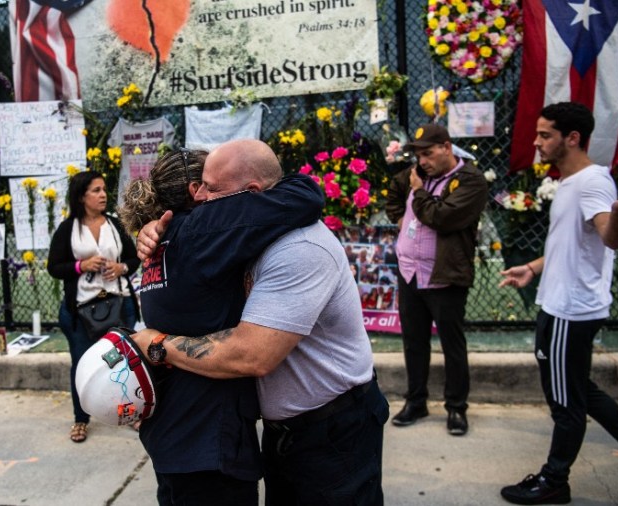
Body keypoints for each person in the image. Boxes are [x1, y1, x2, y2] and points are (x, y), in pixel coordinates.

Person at [132, 139, 388, 506]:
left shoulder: (299, 247)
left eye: (211, 188)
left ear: (251, 193)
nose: (199, 197)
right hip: (282, 430)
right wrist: (156, 229)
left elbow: (252, 355)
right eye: (198, 184)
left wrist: (156, 345)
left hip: (332, 429)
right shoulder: (242, 237)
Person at [498, 102, 618, 505]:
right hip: (561, 304)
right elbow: (570, 244)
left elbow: (610, 237)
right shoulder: (571, 181)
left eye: (545, 134)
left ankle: (554, 480)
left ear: (572, 138)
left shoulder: (591, 183)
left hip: (570, 310)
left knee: (566, 402)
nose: (536, 142)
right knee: (578, 391)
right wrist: (534, 268)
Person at [385, 123, 488, 436]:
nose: (422, 161)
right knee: (414, 343)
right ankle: (416, 401)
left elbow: (441, 218)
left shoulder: (470, 180)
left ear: (447, 147)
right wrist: (402, 219)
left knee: (451, 345)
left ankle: (456, 407)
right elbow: (392, 194)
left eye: (428, 154)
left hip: (445, 274)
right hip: (410, 272)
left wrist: (417, 193)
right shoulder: (414, 175)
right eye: (418, 155)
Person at [46, 171, 140, 443]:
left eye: (103, 189)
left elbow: (133, 259)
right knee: (81, 365)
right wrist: (81, 265)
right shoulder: (68, 229)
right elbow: (54, 267)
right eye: (96, 190)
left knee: (122, 364)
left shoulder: (114, 224)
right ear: (81, 197)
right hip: (81, 311)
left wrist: (120, 267)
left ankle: (130, 414)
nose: (102, 195)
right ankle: (81, 419)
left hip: (119, 305)